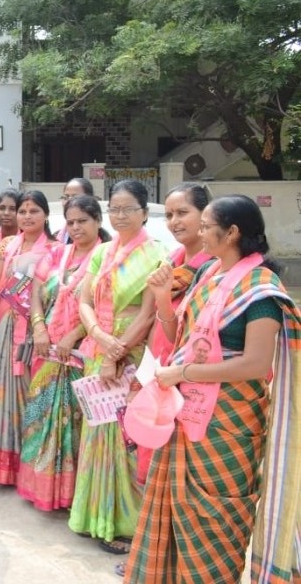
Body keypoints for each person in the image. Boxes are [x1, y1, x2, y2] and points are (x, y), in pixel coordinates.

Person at [125, 195, 301, 584]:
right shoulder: (208, 277)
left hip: (228, 427)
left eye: (206, 226)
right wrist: (162, 299)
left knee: (217, 520)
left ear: (233, 232)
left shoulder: (261, 291)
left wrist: (183, 373)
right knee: (177, 513)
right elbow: (178, 337)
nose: (199, 233)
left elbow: (255, 364)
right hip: (186, 418)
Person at [68, 179, 165, 555]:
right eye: (115, 209)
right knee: (97, 435)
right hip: (99, 348)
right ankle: (93, 516)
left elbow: (149, 312)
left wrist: (115, 352)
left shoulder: (156, 254)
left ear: (143, 212)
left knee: (126, 438)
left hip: (131, 357)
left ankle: (126, 523)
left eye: (128, 208)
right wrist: (96, 335)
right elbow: (84, 298)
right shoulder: (103, 252)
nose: (120, 215)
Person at [17, 194, 105, 510]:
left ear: (98, 221)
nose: (76, 227)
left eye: (83, 220)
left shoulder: (104, 257)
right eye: (70, 222)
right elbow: (36, 293)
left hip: (82, 353)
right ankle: (38, 488)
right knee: (40, 417)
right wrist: (39, 327)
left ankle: (68, 495)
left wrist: (74, 335)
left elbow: (103, 307)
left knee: (75, 423)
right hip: (47, 350)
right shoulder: (58, 254)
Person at [133, 182, 212, 486]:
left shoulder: (214, 267)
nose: (174, 221)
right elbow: (156, 318)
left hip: (192, 370)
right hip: (160, 363)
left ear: (206, 214)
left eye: (183, 212)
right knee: (152, 443)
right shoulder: (171, 260)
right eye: (168, 215)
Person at [0, 190, 60, 486]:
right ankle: (5, 468)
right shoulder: (6, 246)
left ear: (46, 215)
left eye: (33, 211)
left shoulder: (55, 249)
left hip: (37, 333)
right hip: (4, 327)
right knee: (4, 395)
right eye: (23, 211)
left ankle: (31, 471)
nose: (26, 216)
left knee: (34, 395)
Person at [54, 178, 95, 244]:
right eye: (66, 197)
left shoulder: (105, 243)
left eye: (75, 197)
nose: (69, 202)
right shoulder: (56, 237)